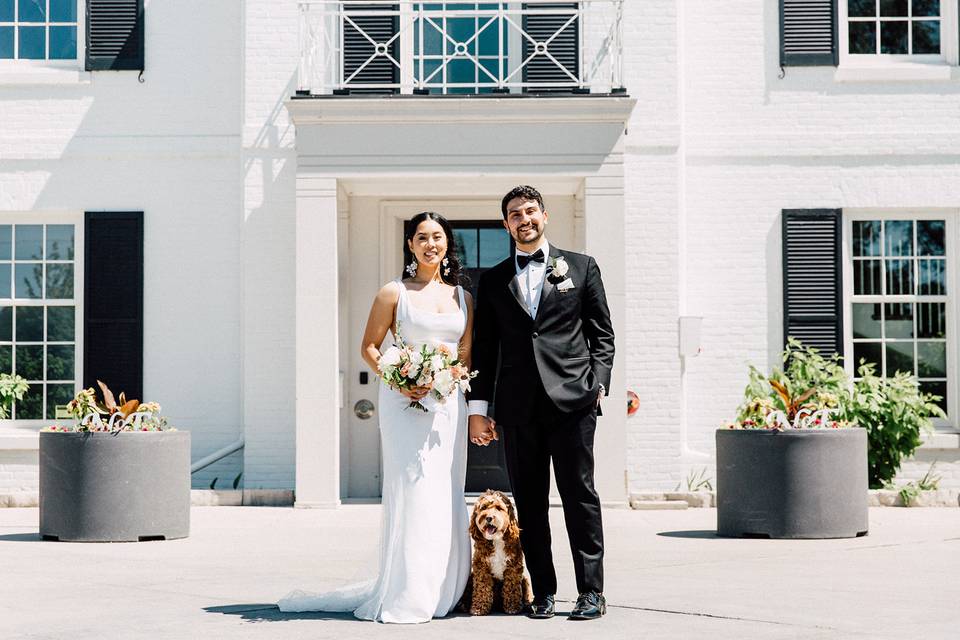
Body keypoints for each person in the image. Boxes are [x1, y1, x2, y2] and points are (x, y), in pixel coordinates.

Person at [278, 212, 473, 623]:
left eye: (437, 237)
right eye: (422, 237)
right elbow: (369, 346)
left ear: (446, 244)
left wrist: (447, 377)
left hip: (446, 406)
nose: (430, 244)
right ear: (410, 245)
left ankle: (445, 589)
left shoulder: (462, 298)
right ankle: (408, 591)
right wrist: (401, 380)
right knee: (412, 488)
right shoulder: (393, 292)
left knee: (445, 489)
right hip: (403, 405)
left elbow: (465, 355)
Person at [468, 185, 615, 621]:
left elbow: (602, 334)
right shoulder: (493, 280)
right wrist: (479, 411)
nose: (523, 219)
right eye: (515, 214)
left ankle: (592, 592)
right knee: (529, 503)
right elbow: (484, 351)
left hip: (573, 403)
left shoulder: (582, 267)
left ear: (544, 216)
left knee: (579, 497)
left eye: (530, 211)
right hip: (517, 409)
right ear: (506, 224)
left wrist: (598, 384)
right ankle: (544, 592)